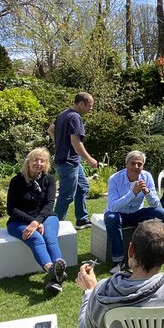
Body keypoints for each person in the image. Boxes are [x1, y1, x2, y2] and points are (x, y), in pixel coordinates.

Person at [6, 147, 67, 295]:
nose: (39, 163)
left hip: (46, 217)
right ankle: (52, 270)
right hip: (19, 220)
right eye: (35, 160)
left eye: (42, 161)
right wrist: (32, 222)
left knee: (50, 238)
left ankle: (56, 273)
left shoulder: (49, 180)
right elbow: (11, 209)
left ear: (46, 164)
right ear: (28, 162)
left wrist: (38, 221)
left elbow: (49, 204)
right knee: (35, 237)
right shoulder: (17, 181)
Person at [104, 150, 164, 274]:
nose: (136, 167)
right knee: (111, 219)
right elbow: (113, 206)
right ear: (126, 164)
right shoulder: (115, 179)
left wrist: (147, 192)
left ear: (143, 166)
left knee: (160, 213)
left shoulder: (146, 176)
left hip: (137, 212)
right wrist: (133, 193)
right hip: (118, 213)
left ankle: (159, 252)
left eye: (139, 164)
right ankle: (118, 260)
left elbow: (155, 203)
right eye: (132, 163)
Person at [47, 91, 98, 230]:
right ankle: (54, 226)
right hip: (68, 162)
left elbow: (50, 129)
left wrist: (58, 143)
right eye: (90, 105)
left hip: (69, 161)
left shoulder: (63, 114)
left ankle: (81, 219)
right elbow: (76, 142)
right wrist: (89, 159)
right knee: (67, 195)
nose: (91, 109)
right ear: (81, 103)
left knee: (82, 187)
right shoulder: (75, 118)